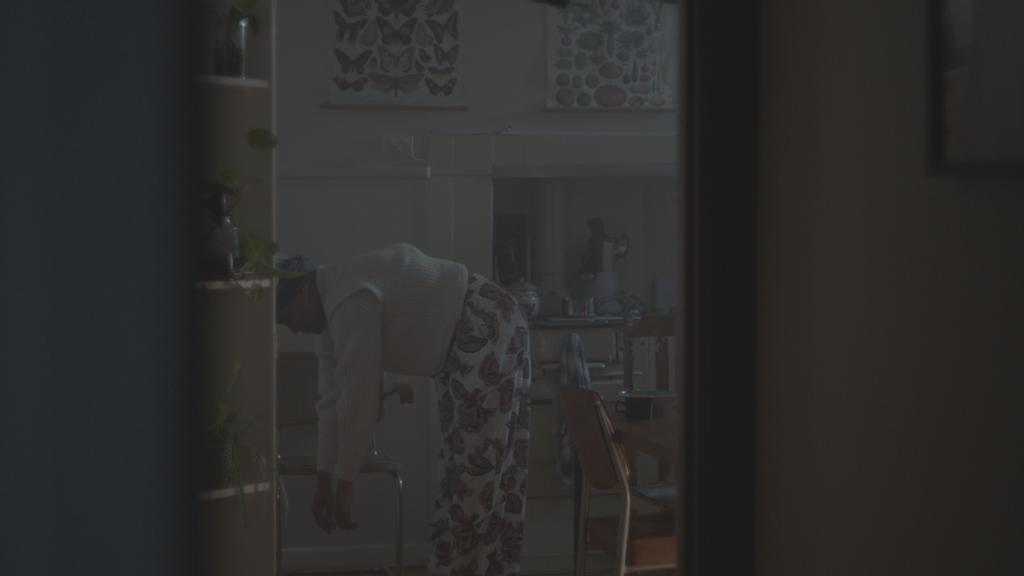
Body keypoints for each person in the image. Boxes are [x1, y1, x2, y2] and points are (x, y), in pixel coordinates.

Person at [276, 243, 531, 576]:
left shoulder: (348, 298)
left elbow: (359, 397)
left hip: (485, 324)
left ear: (302, 293)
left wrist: (346, 483)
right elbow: (330, 403)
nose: (293, 329)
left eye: (288, 318)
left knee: (475, 476)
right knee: (462, 475)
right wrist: (324, 481)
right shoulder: (331, 308)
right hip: (467, 340)